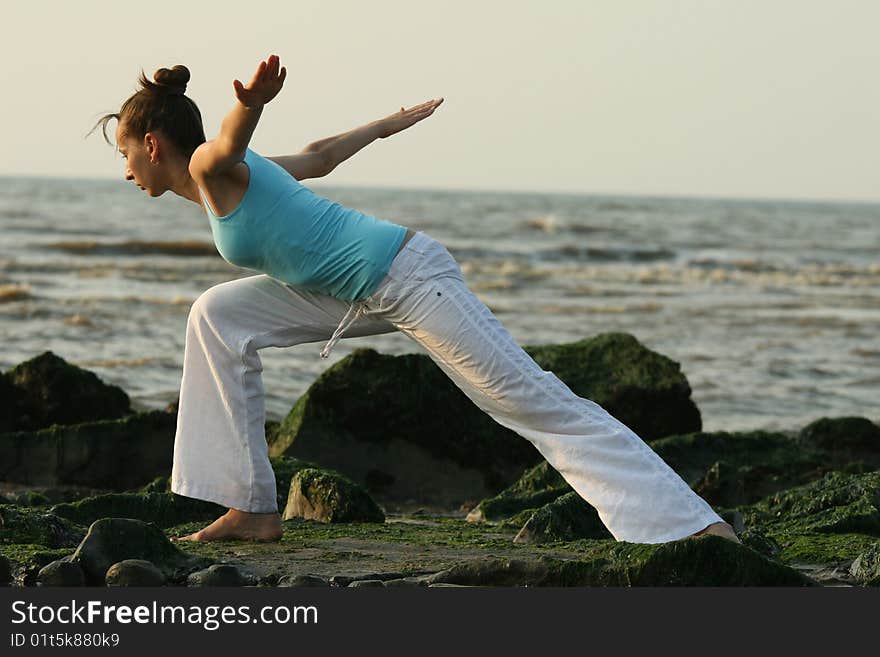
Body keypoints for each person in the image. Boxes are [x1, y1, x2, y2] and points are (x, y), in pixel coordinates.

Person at [92, 54, 740, 546]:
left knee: (530, 399)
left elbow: (225, 140)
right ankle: (253, 505)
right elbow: (318, 158)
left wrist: (252, 103)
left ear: (152, 145)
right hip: (346, 293)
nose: (123, 169)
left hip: (406, 275)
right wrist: (382, 125)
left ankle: (692, 525)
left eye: (125, 152)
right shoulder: (232, 178)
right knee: (217, 315)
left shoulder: (213, 165)